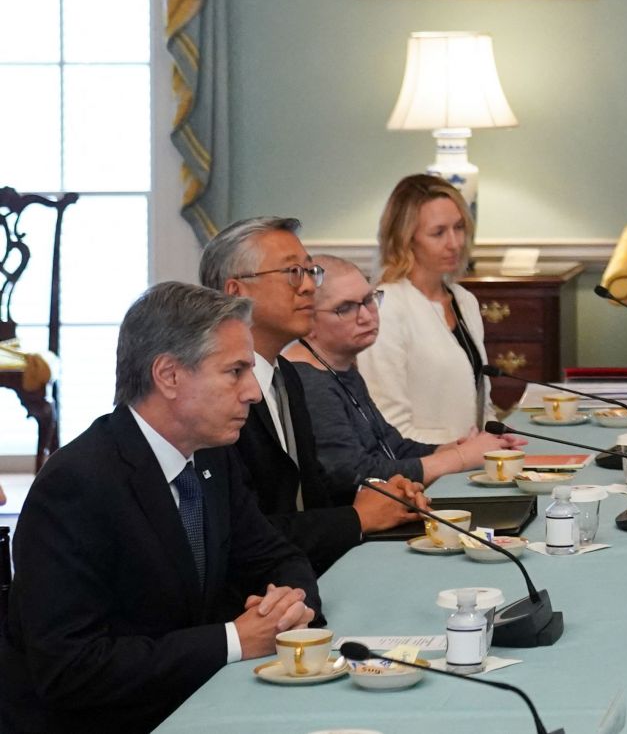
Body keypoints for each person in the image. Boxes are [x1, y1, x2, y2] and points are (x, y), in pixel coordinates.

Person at [0, 283, 320, 733]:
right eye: (235, 371)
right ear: (168, 375)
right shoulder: (77, 484)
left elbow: (278, 556)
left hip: (193, 702)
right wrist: (235, 640)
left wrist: (289, 606)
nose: (252, 391)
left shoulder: (210, 456)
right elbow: (71, 670)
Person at [201, 217, 426, 574]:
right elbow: (242, 534)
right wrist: (357, 517)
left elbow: (311, 497)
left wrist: (379, 494)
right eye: (293, 272)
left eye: (311, 272)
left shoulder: (286, 376)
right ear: (235, 291)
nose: (308, 286)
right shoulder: (213, 394)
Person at [286, 255, 517, 501]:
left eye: (368, 300)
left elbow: (392, 448)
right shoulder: (309, 382)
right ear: (307, 319)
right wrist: (458, 459)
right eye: (345, 308)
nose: (366, 316)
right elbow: (356, 476)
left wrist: (455, 448)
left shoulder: (340, 366)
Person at [361, 175, 494, 445]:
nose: (454, 243)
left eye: (459, 228)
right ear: (405, 239)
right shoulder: (385, 307)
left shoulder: (464, 300)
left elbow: (482, 404)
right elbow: (389, 426)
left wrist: (496, 441)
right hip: (420, 470)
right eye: (438, 233)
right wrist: (461, 453)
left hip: (472, 466)